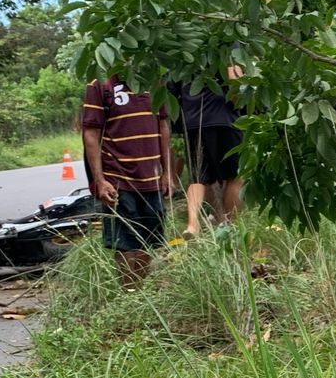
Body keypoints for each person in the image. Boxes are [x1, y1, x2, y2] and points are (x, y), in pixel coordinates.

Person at [81, 76, 176, 287]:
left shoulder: (153, 80)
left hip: (152, 178)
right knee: (124, 243)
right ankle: (129, 293)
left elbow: (163, 126)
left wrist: (167, 173)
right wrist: (100, 180)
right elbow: (91, 133)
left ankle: (141, 292)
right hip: (118, 179)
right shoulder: (100, 84)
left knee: (150, 240)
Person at [167, 76, 243, 237]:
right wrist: (242, 105)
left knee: (198, 178)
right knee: (235, 177)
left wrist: (178, 124)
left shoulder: (182, 59)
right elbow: (234, 81)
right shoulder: (229, 57)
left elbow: (172, 89)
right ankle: (230, 227)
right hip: (224, 118)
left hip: (193, 121)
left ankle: (192, 226)